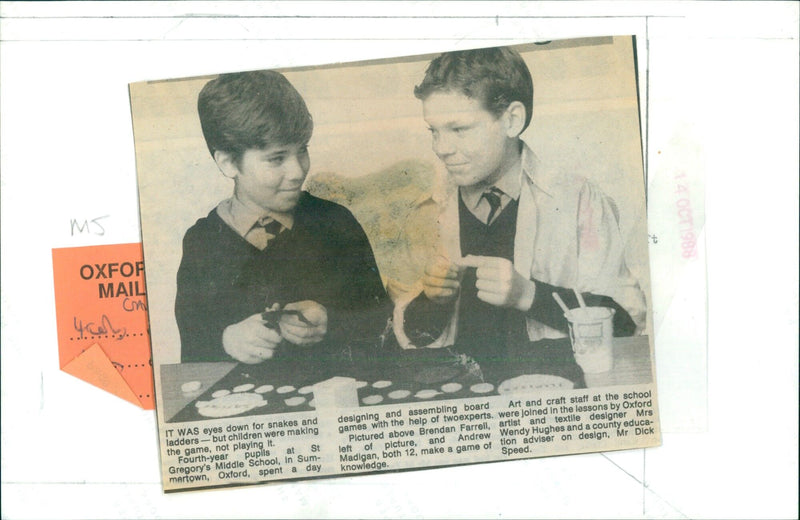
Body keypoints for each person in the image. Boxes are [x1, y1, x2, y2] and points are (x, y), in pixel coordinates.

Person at [391, 47, 646, 377]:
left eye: (459, 129)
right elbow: (408, 336)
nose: (441, 148)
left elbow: (627, 324)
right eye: (434, 131)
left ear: (511, 120)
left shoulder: (578, 199)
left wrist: (530, 295)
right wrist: (431, 301)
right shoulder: (429, 210)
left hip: (554, 397)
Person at [175, 70, 392, 374]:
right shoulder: (202, 243)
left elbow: (381, 318)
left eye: (302, 150)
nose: (297, 171)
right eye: (276, 159)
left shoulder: (335, 223)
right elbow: (193, 348)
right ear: (227, 163)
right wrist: (227, 340)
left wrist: (331, 322)